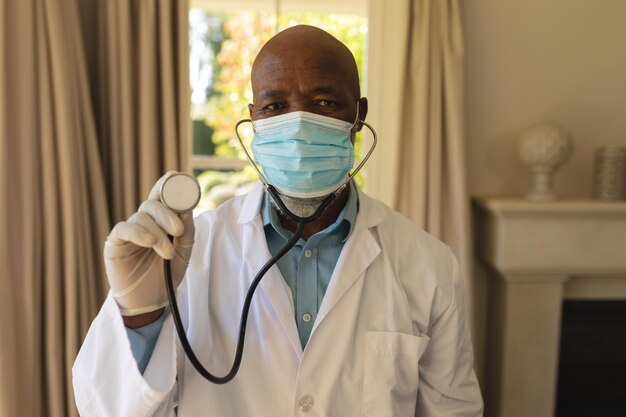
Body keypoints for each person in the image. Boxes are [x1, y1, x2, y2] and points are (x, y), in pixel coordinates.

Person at [73, 25, 483, 416]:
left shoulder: (429, 265)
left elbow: (453, 411)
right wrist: (140, 312)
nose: (300, 123)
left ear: (358, 115)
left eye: (324, 103)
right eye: (275, 106)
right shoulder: (189, 255)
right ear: (254, 120)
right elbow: (108, 409)